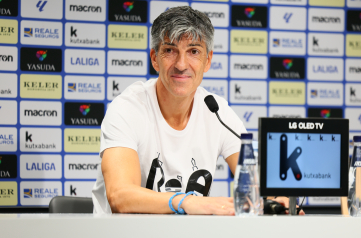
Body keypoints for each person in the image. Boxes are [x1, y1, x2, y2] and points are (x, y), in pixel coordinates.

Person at [92, 6, 302, 215]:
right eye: (170, 50)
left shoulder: (217, 112)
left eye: (193, 51)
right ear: (154, 58)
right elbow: (120, 196)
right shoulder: (128, 108)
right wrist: (186, 202)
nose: (181, 64)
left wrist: (278, 199)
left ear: (207, 60)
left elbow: (262, 185)